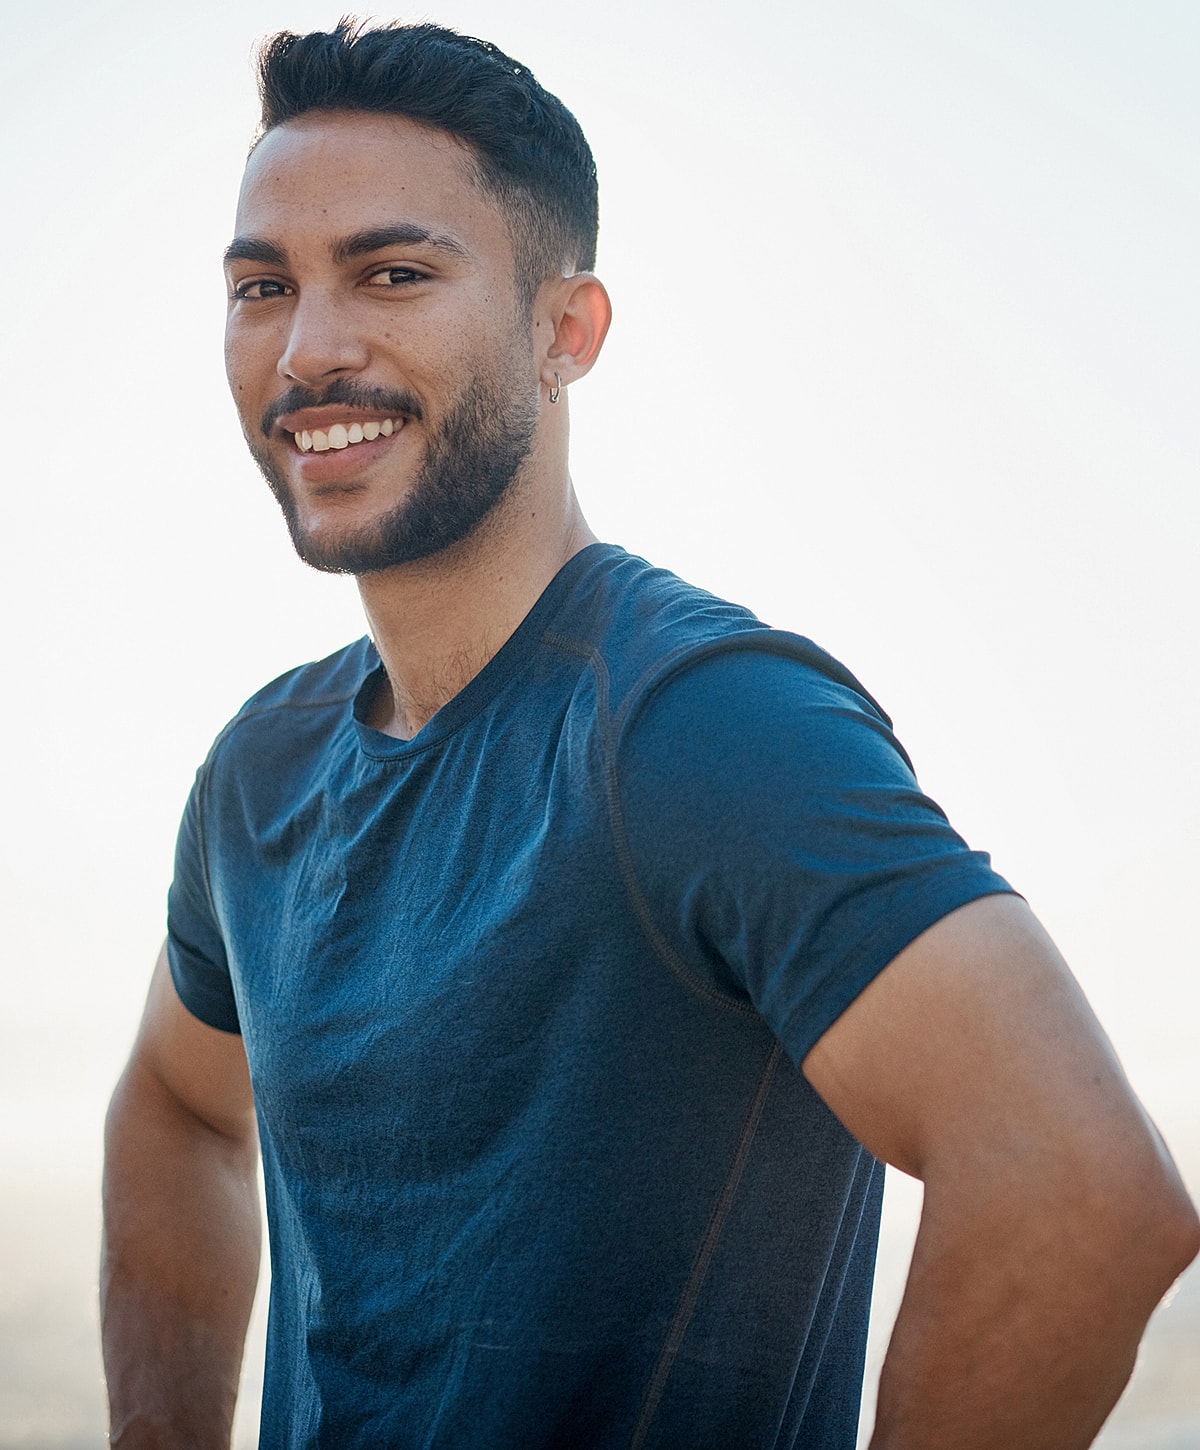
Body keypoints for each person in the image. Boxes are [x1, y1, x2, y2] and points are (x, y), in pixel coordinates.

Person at [100, 20, 1198, 1450]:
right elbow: (179, 1109)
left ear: (566, 331)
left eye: (392, 273)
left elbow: (1080, 1191)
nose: (311, 346)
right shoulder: (264, 774)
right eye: (264, 286)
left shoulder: (700, 719)